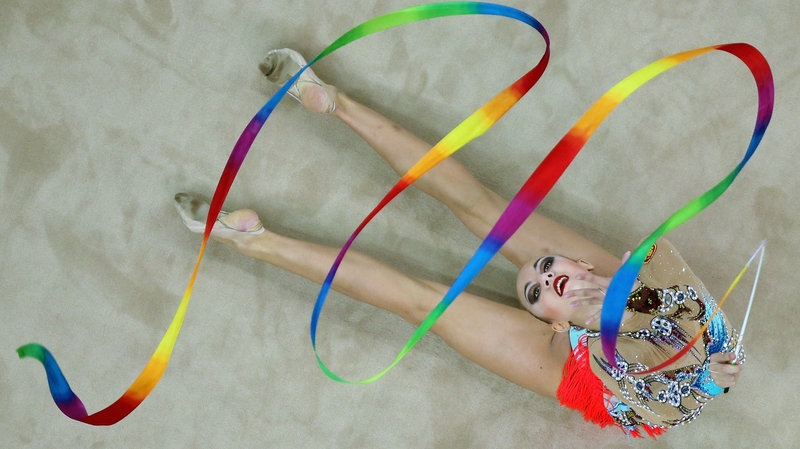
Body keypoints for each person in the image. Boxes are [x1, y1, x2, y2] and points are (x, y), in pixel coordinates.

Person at [174, 48, 743, 438]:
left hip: (595, 379)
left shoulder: (603, 306)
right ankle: (329, 99)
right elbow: (708, 345)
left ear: (575, 268)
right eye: (541, 284)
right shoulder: (604, 295)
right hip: (602, 333)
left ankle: (250, 240)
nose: (547, 277)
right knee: (482, 207)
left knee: (423, 301)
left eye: (543, 274)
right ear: (552, 322)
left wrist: (708, 380)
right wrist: (715, 368)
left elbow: (661, 407)